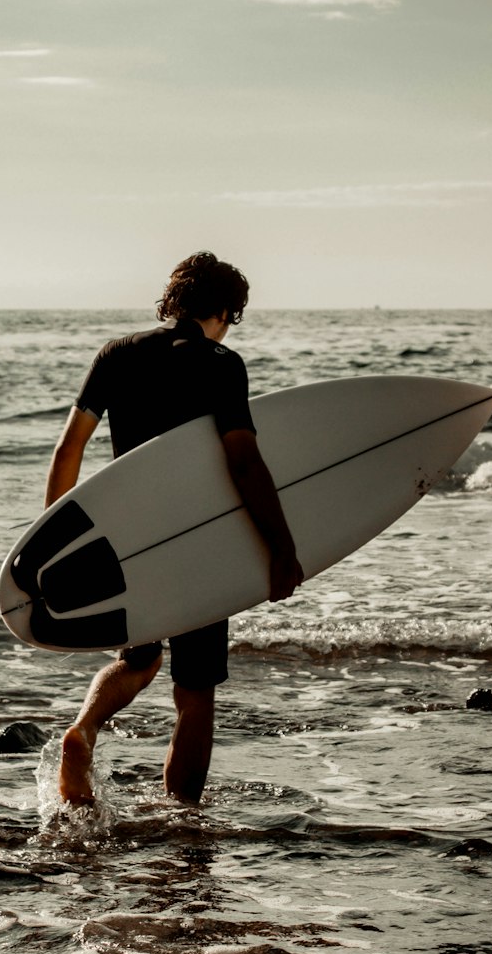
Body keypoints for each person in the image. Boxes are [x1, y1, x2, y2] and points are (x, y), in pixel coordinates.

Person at [45, 251, 303, 808]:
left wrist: (55, 544)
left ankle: (85, 728)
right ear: (228, 310)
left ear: (174, 302)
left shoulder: (115, 354)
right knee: (194, 691)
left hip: (126, 541)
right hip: (195, 544)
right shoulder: (221, 364)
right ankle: (183, 817)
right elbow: (245, 462)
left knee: (139, 658)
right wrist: (281, 549)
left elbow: (70, 449)